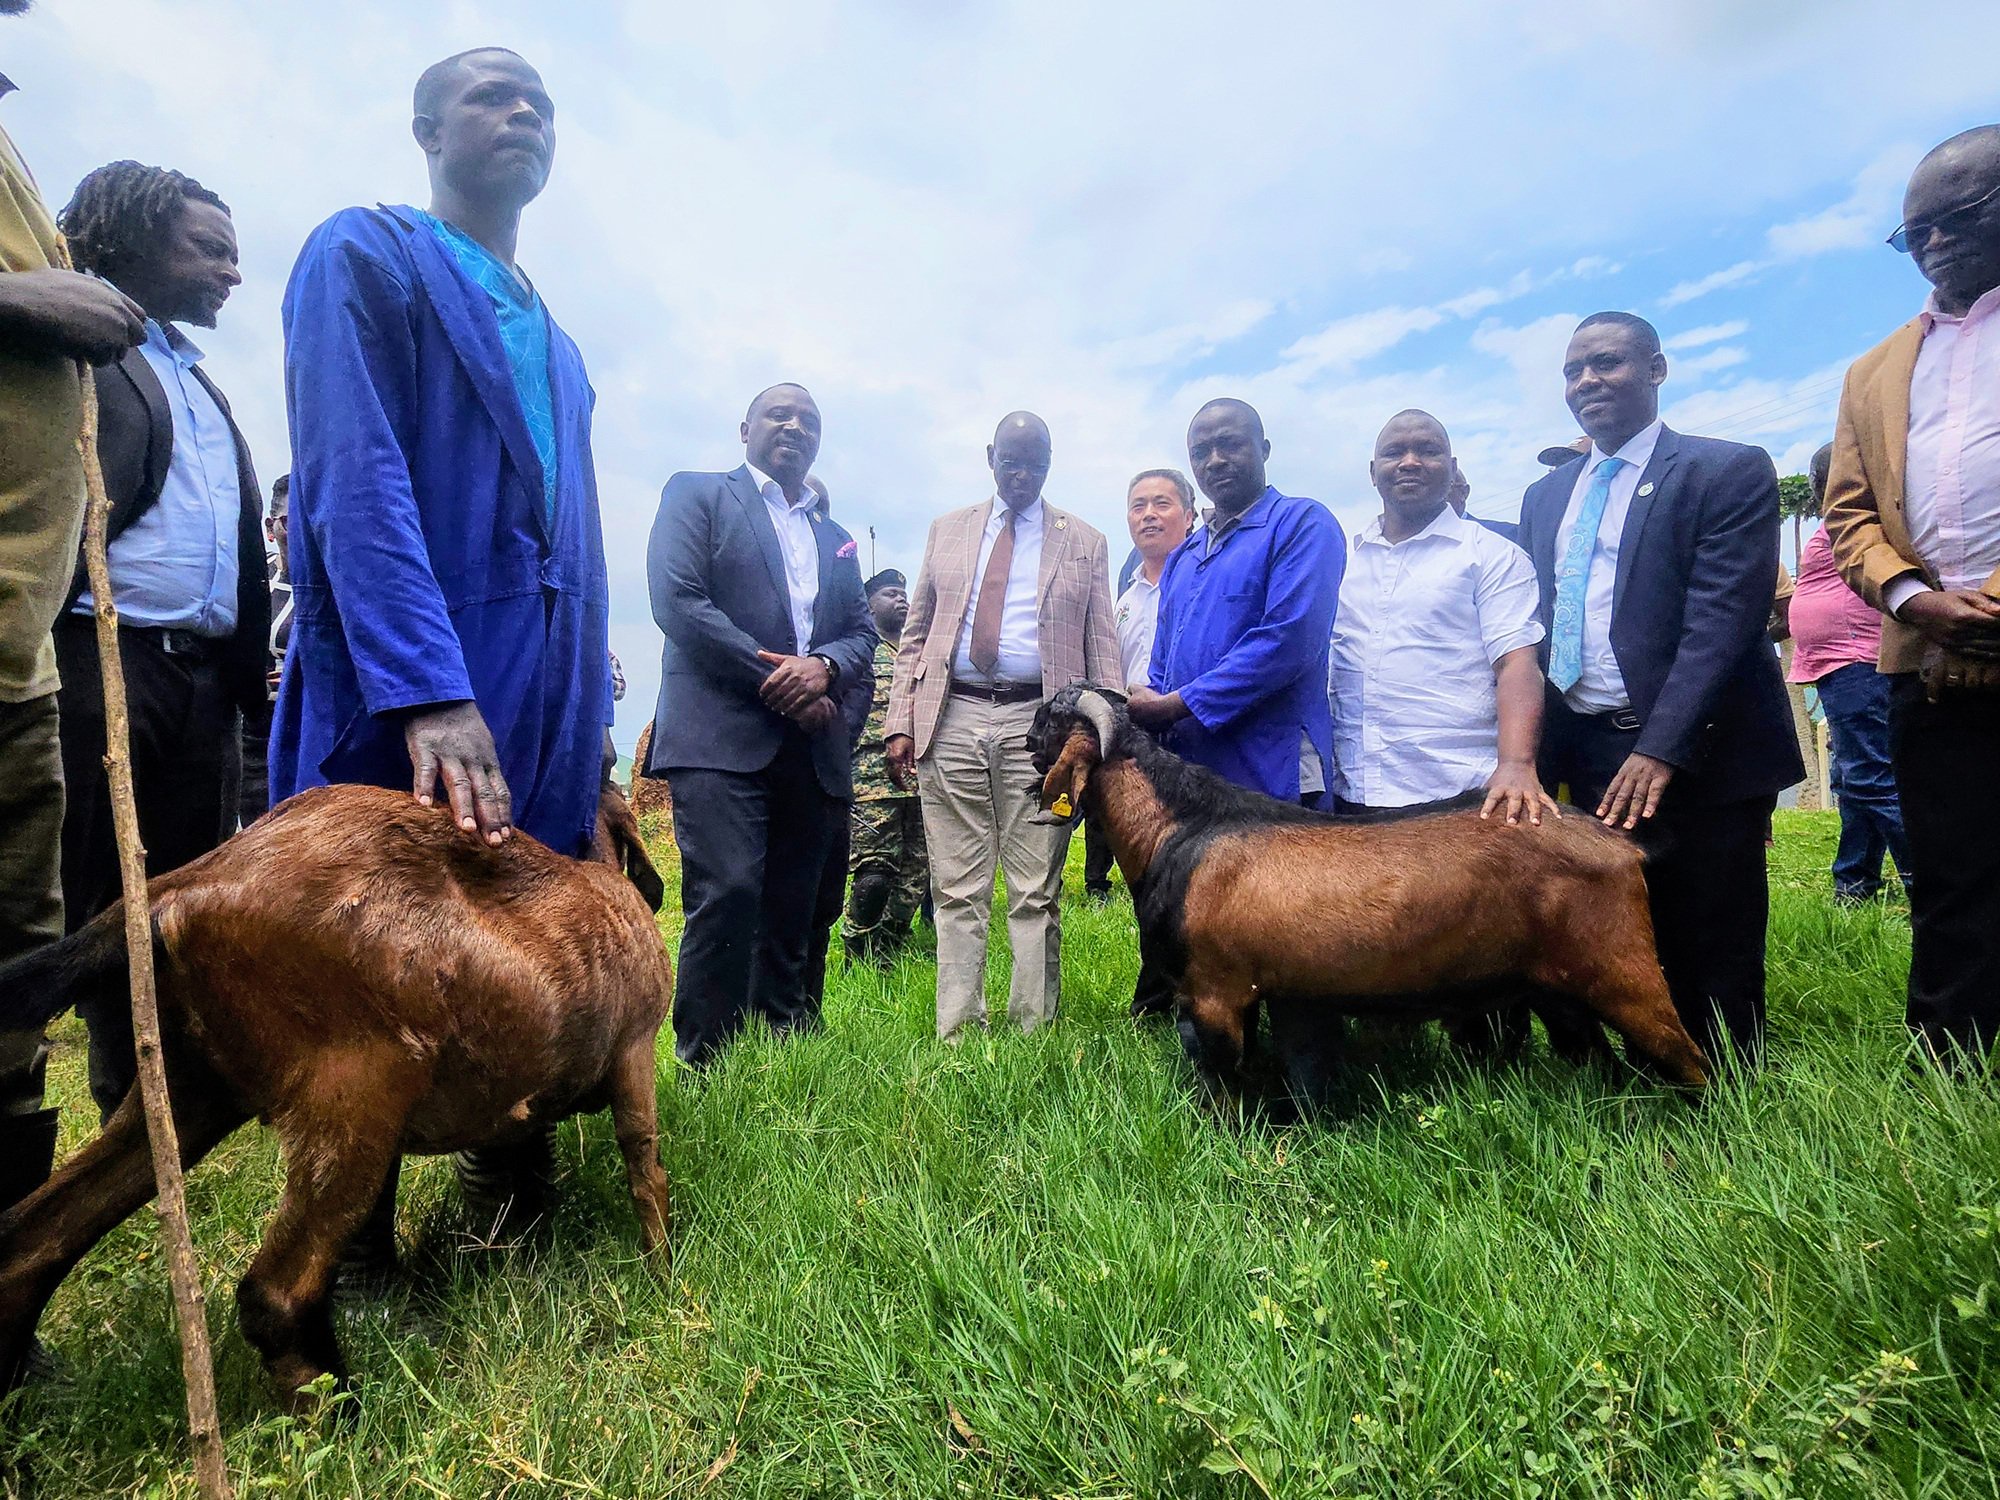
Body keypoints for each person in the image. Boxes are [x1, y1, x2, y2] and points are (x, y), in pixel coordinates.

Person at [278, 47, 615, 1271]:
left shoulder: (562, 343)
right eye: (492, 94)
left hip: (545, 672)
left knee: (522, 912)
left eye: (541, 100)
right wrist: (425, 685)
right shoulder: (363, 256)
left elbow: (573, 537)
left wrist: (587, 720)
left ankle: (509, 1174)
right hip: (420, 669)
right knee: (375, 937)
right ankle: (347, 1232)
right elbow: (350, 476)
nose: (523, 111)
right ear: (426, 127)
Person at [1520, 312, 1801, 1068]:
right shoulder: (1546, 497)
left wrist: (1661, 746)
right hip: (1584, 737)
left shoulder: (1725, 470)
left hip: (1697, 744)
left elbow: (1723, 621)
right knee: (1613, 915)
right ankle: (1637, 1060)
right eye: (1574, 371)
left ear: (1656, 369)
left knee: (1711, 923)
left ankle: (1727, 1082)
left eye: (1607, 363)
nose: (1587, 382)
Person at [50, 161, 268, 1119]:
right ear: (133, 239)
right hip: (104, 658)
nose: (230, 272)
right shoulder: (78, 351)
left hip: (200, 684)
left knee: (181, 897)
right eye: (208, 250)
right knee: (92, 894)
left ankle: (160, 1107)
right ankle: (99, 1093)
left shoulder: (201, 383)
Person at [0, 22, 148, 1351]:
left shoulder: (13, 149)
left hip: (20, 653)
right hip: (57, 639)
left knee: (11, 986)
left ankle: (4, 1308)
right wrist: (20, 301)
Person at [1824, 124, 2000, 1064]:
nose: (1933, 244)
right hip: (1921, 656)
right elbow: (1847, 512)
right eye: (1914, 233)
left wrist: (1989, 608)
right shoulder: (1874, 370)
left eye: (1957, 218)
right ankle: (1952, 1056)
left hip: (1975, 631)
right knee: (1947, 864)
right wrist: (1910, 599)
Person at [644, 384, 874, 1064]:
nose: (794, 426)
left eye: (809, 419)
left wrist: (826, 668)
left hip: (808, 745)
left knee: (796, 902)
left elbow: (861, 630)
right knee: (730, 891)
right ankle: (705, 1059)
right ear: (745, 427)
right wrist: (781, 678)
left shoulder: (835, 539)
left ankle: (784, 1042)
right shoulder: (698, 495)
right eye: (780, 413)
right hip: (719, 736)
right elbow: (677, 601)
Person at [885, 412, 1120, 1040]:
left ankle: (1030, 1032)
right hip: (952, 715)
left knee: (1034, 888)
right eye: (1010, 461)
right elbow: (918, 633)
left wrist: (1094, 737)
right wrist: (900, 723)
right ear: (989, 455)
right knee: (956, 887)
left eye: (1035, 462)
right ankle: (958, 1031)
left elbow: (1105, 651)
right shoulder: (947, 530)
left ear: (1051, 461)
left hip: (1041, 726)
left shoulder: (1085, 542)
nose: (1022, 474)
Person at [1330, 411, 1554, 821]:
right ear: (1372, 472)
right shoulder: (1347, 562)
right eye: (1394, 452)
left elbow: (1517, 664)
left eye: (1428, 451)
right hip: (1354, 793)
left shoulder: (1492, 556)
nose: (1410, 461)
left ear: (1452, 470)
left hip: (1457, 798)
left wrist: (1517, 764)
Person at [1130, 398, 1344, 805]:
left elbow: (1289, 641)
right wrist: (1147, 701)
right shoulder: (1184, 557)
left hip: (1272, 768)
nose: (1215, 460)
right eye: (1200, 452)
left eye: (1229, 444)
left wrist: (1177, 704)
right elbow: (1163, 664)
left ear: (1263, 449)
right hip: (1192, 771)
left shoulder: (1301, 524)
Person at [1784, 442, 1910, 903]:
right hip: (1842, 666)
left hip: (1857, 659)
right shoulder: (1843, 522)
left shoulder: (1867, 523)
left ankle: (1929, 887)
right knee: (1854, 780)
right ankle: (1854, 884)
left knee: (1872, 776)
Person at [1083, 468, 1196, 899]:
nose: (1149, 515)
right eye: (1138, 506)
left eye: (1161, 504)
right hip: (1137, 742)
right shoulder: (1124, 602)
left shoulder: (1202, 584)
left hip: (1192, 733)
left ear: (1188, 516)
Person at [843, 568, 930, 962]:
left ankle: (890, 945)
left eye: (905, 594)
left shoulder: (921, 653)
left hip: (921, 779)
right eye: (891, 594)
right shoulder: (859, 651)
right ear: (868, 605)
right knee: (875, 872)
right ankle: (858, 950)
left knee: (916, 870)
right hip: (870, 779)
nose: (902, 601)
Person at [236, 473, 295, 827]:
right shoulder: (252, 579)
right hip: (254, 732)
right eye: (289, 521)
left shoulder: (343, 585)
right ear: (270, 527)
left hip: (310, 728)